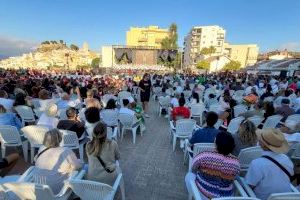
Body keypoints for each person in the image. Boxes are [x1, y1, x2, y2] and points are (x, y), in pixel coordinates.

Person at [186, 131, 240, 199]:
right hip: (225, 197)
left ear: (216, 144)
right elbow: (234, 177)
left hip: (204, 193)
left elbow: (193, 167)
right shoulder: (236, 162)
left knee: (189, 175)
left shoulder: (205, 155)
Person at [245, 128, 294, 200]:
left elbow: (250, 185)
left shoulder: (257, 163)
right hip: (285, 197)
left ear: (264, 145)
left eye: (260, 139)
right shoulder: (286, 158)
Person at [34, 129, 82, 194]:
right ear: (59, 139)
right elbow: (77, 166)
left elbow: (35, 159)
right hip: (57, 190)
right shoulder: (65, 151)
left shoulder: (42, 148)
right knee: (81, 168)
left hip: (40, 186)